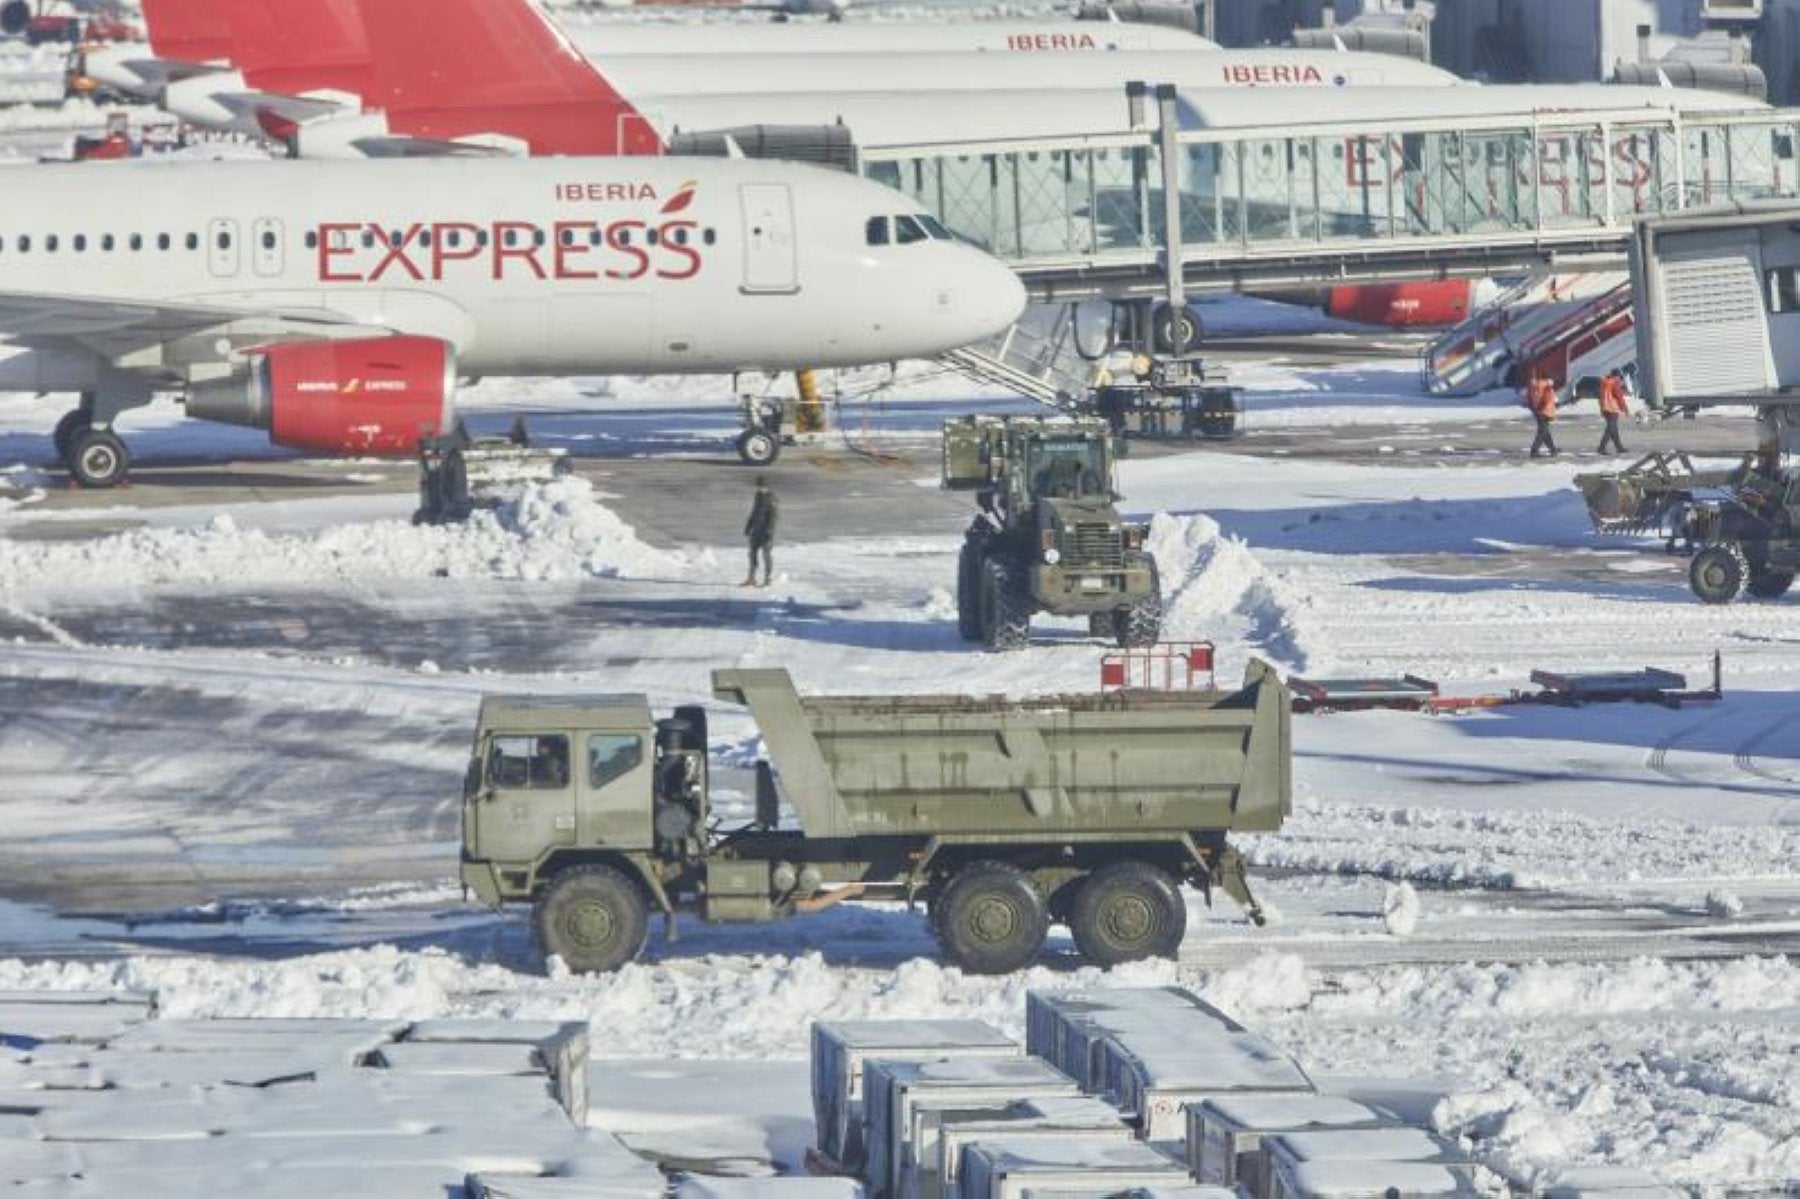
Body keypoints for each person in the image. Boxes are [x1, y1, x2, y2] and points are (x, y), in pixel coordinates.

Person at [743, 476, 778, 587]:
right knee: (752, 554)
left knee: (766, 554)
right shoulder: (758, 496)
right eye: (758, 486)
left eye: (761, 486)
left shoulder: (772, 498)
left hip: (766, 532)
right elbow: (754, 512)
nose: (759, 488)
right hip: (756, 530)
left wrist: (769, 531)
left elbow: (773, 517)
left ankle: (768, 578)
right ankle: (751, 578)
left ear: (766, 486)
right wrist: (748, 526)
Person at [1524, 369, 1558, 458]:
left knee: (1545, 431)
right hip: (1545, 410)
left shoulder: (1532, 385)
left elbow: (1529, 397)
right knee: (1542, 432)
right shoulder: (1546, 385)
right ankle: (1534, 450)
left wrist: (1533, 407)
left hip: (1538, 410)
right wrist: (1542, 406)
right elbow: (1548, 397)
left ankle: (1553, 449)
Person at [1597, 369, 1628, 455]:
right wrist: (1624, 408)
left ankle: (1619, 447)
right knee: (1611, 429)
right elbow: (1619, 396)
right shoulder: (1615, 382)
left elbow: (1600, 396)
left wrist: (1602, 408)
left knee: (1613, 429)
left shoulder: (1604, 382)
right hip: (1612, 408)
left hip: (1605, 408)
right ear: (1617, 376)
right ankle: (1601, 447)